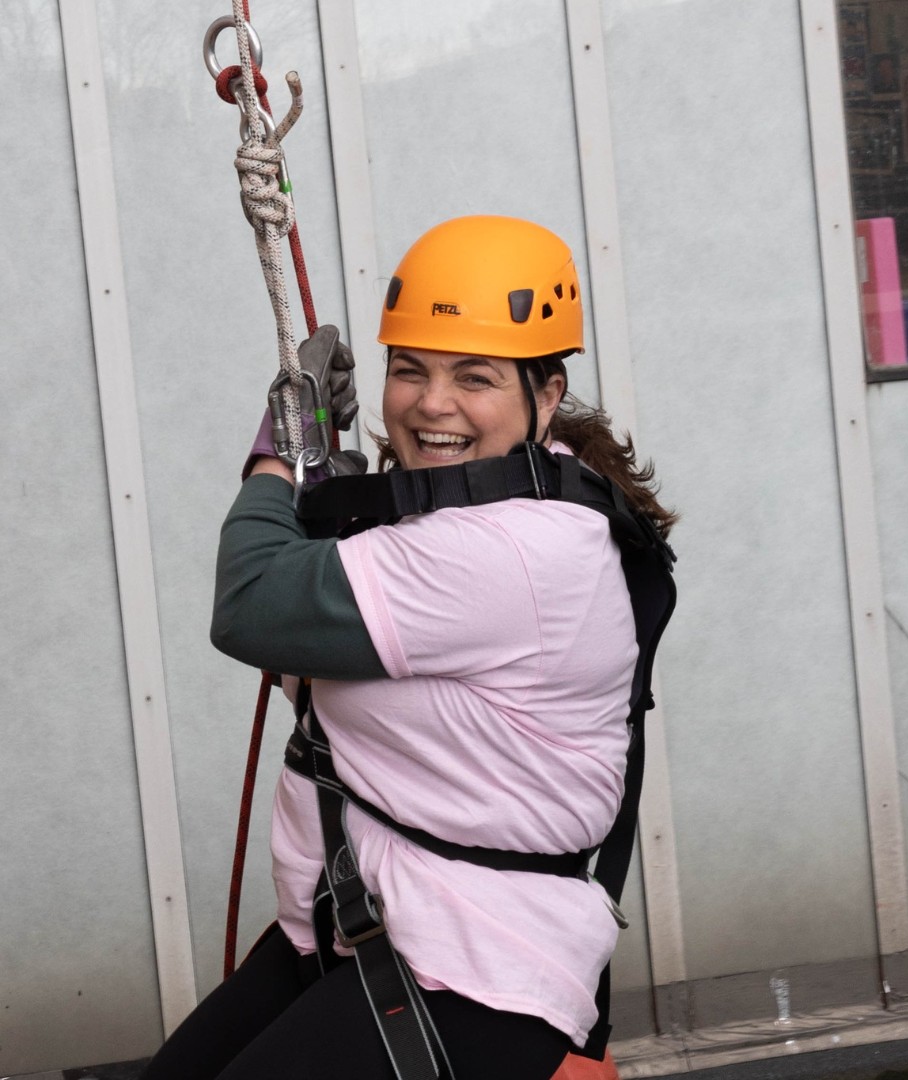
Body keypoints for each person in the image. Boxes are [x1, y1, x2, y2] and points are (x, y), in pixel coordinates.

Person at [142, 215, 676, 1080]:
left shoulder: (509, 548)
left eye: (475, 377)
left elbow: (250, 604)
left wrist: (279, 451)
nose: (432, 404)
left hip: (475, 963)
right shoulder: (473, 508)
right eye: (410, 369)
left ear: (545, 396)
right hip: (369, 920)